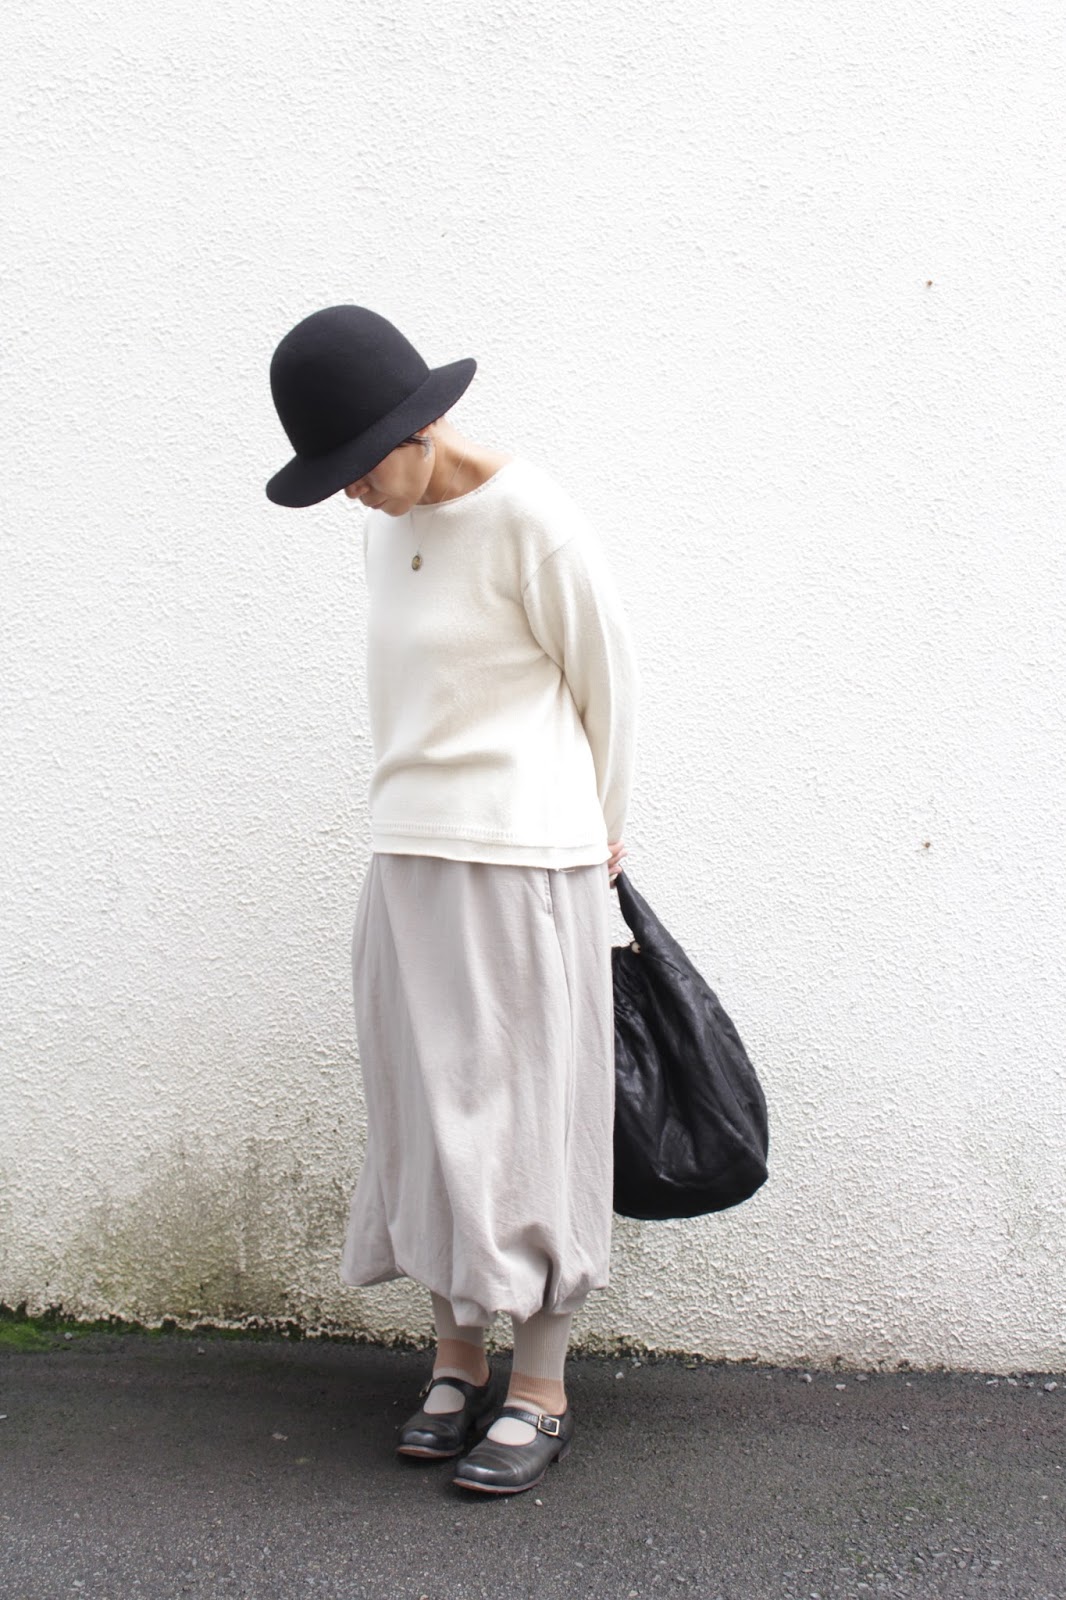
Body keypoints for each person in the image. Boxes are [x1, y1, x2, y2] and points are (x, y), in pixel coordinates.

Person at [265, 305, 639, 1495]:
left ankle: (540, 1386)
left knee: (529, 1122)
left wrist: (596, 832)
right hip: (407, 857)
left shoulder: (535, 521)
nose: (349, 494)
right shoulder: (387, 530)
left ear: (416, 429)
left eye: (355, 466)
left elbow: (610, 690)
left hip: (525, 860)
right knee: (425, 1116)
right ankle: (454, 1358)